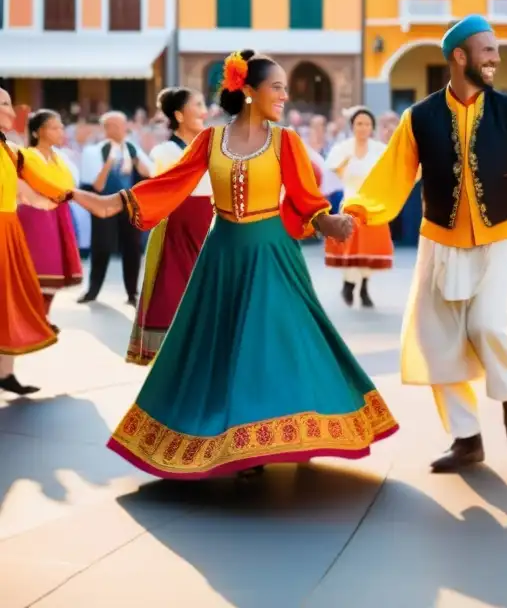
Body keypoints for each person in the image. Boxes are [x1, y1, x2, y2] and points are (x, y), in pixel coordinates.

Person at [72, 51, 397, 479]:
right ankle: (239, 441)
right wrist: (112, 203)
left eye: (285, 86)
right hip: (222, 253)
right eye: (276, 87)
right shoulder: (210, 141)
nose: (285, 94)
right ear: (247, 91)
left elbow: (306, 199)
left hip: (272, 253)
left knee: (274, 342)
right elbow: (170, 185)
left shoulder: (286, 141)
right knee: (222, 345)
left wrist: (330, 221)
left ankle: (287, 432)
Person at [342, 15, 507, 472]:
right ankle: (467, 438)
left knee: (489, 325)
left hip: (500, 235)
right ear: (459, 56)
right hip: (440, 238)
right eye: (487, 49)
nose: (496, 57)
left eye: (496, 50)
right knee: (437, 342)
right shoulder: (419, 118)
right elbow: (388, 179)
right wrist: (354, 214)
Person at [126, 88, 214, 366]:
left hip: (208, 228)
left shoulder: (210, 148)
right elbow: (165, 192)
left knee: (207, 295)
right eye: (198, 104)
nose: (204, 110)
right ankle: (173, 363)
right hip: (176, 229)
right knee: (173, 294)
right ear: (178, 115)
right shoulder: (165, 151)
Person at [0, 89, 76, 394]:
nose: (11, 109)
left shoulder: (10, 151)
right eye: (4, 104)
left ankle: (5, 373)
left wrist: (51, 200)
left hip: (9, 230)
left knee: (10, 302)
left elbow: (25, 190)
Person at [78, 111, 153, 306]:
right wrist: (110, 162)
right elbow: (97, 186)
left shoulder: (131, 148)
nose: (122, 129)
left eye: (123, 125)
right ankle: (93, 291)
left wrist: (135, 158)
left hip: (129, 204)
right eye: (117, 126)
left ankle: (132, 293)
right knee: (101, 247)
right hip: (104, 204)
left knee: (132, 248)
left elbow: (149, 172)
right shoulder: (95, 151)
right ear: (107, 128)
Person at [16, 110, 83, 324]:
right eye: (54, 127)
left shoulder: (60, 158)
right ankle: (31, 318)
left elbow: (70, 184)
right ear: (37, 132)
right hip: (35, 216)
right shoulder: (26, 156)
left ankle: (43, 316)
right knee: (39, 265)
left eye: (61, 127)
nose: (60, 131)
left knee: (56, 269)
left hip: (59, 214)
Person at [324, 108, 393, 308]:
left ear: (372, 127)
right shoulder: (343, 148)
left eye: (367, 124)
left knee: (369, 248)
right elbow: (331, 170)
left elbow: (390, 171)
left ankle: (363, 286)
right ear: (353, 126)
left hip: (372, 205)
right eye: (359, 124)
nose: (363, 128)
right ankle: (348, 284)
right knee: (350, 247)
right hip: (351, 203)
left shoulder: (379, 149)